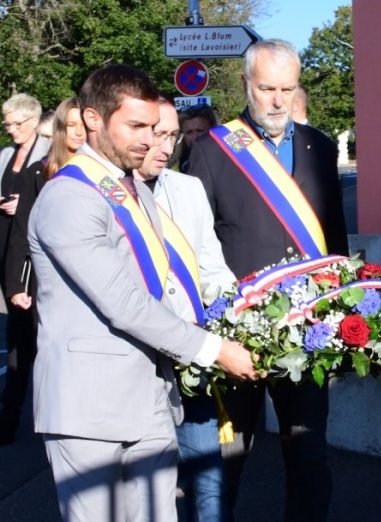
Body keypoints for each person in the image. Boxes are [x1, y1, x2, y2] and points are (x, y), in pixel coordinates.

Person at [28, 63, 256, 522]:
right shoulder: (69, 197)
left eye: (153, 127)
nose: (151, 140)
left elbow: (166, 287)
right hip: (88, 408)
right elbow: (124, 302)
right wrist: (216, 349)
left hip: (151, 395)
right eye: (135, 126)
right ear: (93, 119)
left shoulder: (131, 189)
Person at [188, 39, 349, 522]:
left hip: (308, 329)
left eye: (287, 87)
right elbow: (197, 244)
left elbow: (335, 239)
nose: (278, 100)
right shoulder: (214, 150)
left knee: (309, 454)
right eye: (266, 88)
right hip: (239, 334)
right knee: (228, 457)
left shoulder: (319, 147)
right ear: (245, 85)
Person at [133, 93, 234, 522]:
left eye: (173, 136)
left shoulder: (189, 188)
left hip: (193, 359)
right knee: (147, 495)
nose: (166, 146)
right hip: (137, 366)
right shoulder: (106, 193)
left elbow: (212, 266)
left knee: (207, 478)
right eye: (157, 134)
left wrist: (235, 313)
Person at [0, 97, 85, 446]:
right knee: (21, 347)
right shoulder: (41, 170)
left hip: (81, 280)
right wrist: (17, 284)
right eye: (72, 126)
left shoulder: (107, 172)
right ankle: (9, 417)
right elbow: (23, 231)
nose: (79, 133)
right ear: (61, 130)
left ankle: (73, 420)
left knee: (69, 351)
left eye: (85, 126)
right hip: (36, 273)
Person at [0, 93, 50, 445]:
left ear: (33, 121)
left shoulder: (48, 155)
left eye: (17, 123)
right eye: (7, 123)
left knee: (35, 339)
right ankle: (11, 413)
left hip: (33, 259)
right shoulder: (4, 156)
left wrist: (27, 204)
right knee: (17, 337)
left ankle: (22, 415)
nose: (11, 129)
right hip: (6, 250)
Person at [176, 104, 220, 173]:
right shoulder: (184, 160)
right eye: (189, 132)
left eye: (200, 130)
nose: (195, 137)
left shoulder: (224, 160)